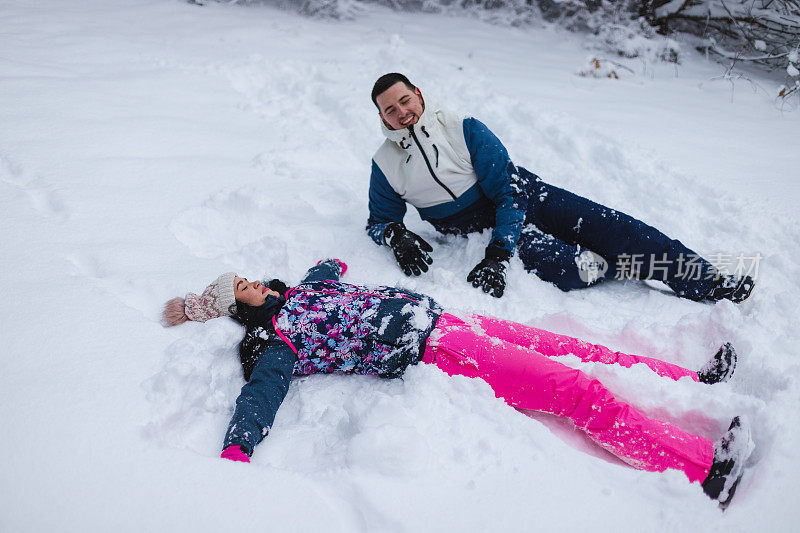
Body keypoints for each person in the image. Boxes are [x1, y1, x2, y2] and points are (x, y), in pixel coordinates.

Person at [162, 259, 754, 508]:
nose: (258, 286)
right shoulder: (281, 341)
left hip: (449, 316)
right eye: (245, 292)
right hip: (438, 348)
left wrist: (328, 269)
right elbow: (260, 395)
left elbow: (328, 268)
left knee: (582, 350)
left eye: (249, 279)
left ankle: (691, 382)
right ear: (243, 312)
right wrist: (238, 445)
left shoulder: (301, 292)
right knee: (574, 390)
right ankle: (702, 468)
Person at [365, 73, 755, 302]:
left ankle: (709, 281)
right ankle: (613, 266)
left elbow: (510, 192)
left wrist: (500, 252)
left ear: (418, 94)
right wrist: (395, 235)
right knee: (574, 269)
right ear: (381, 117)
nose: (402, 113)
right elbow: (378, 219)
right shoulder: (387, 164)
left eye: (405, 100)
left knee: (620, 231)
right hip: (477, 228)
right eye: (391, 110)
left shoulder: (462, 127)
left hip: (528, 200)